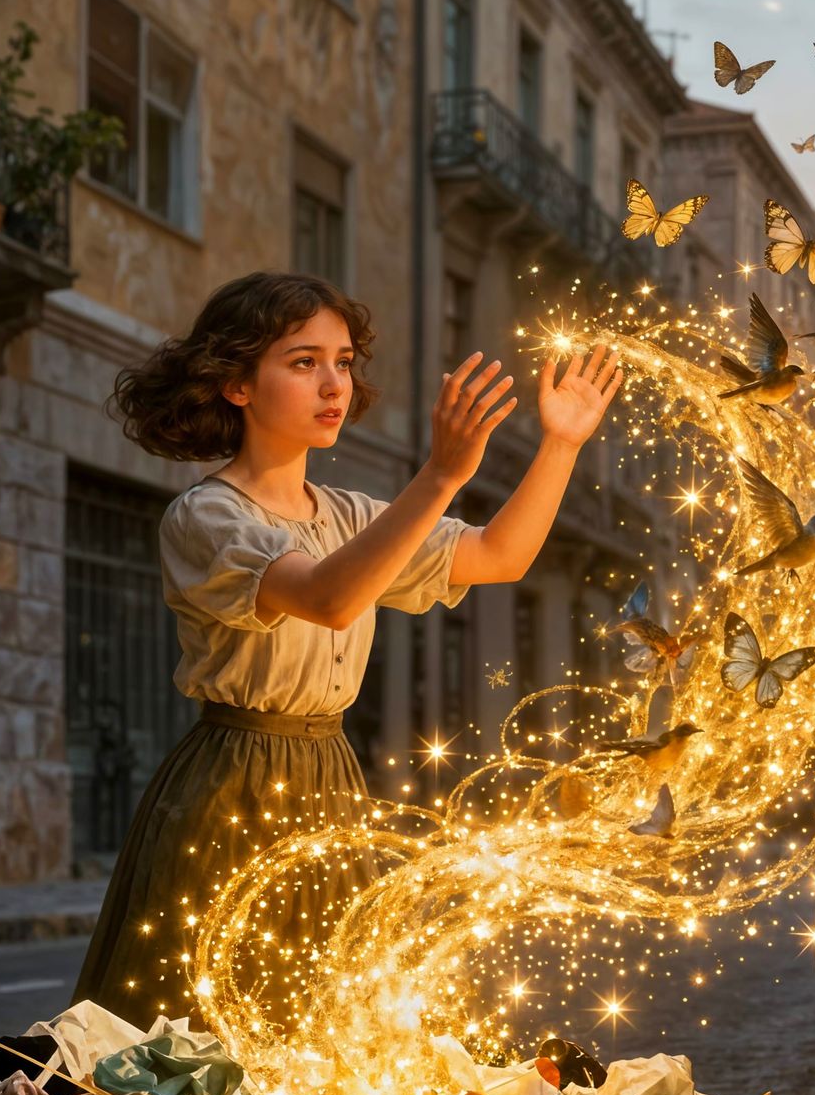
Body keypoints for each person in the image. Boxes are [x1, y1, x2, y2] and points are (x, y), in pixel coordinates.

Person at [74, 271, 621, 1026]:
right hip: (233, 782)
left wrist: (561, 444)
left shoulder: (354, 515)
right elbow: (330, 598)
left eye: (343, 361)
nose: (335, 384)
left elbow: (500, 555)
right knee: (204, 1027)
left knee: (324, 1022)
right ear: (237, 384)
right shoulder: (206, 515)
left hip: (331, 776)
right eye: (304, 362)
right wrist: (441, 475)